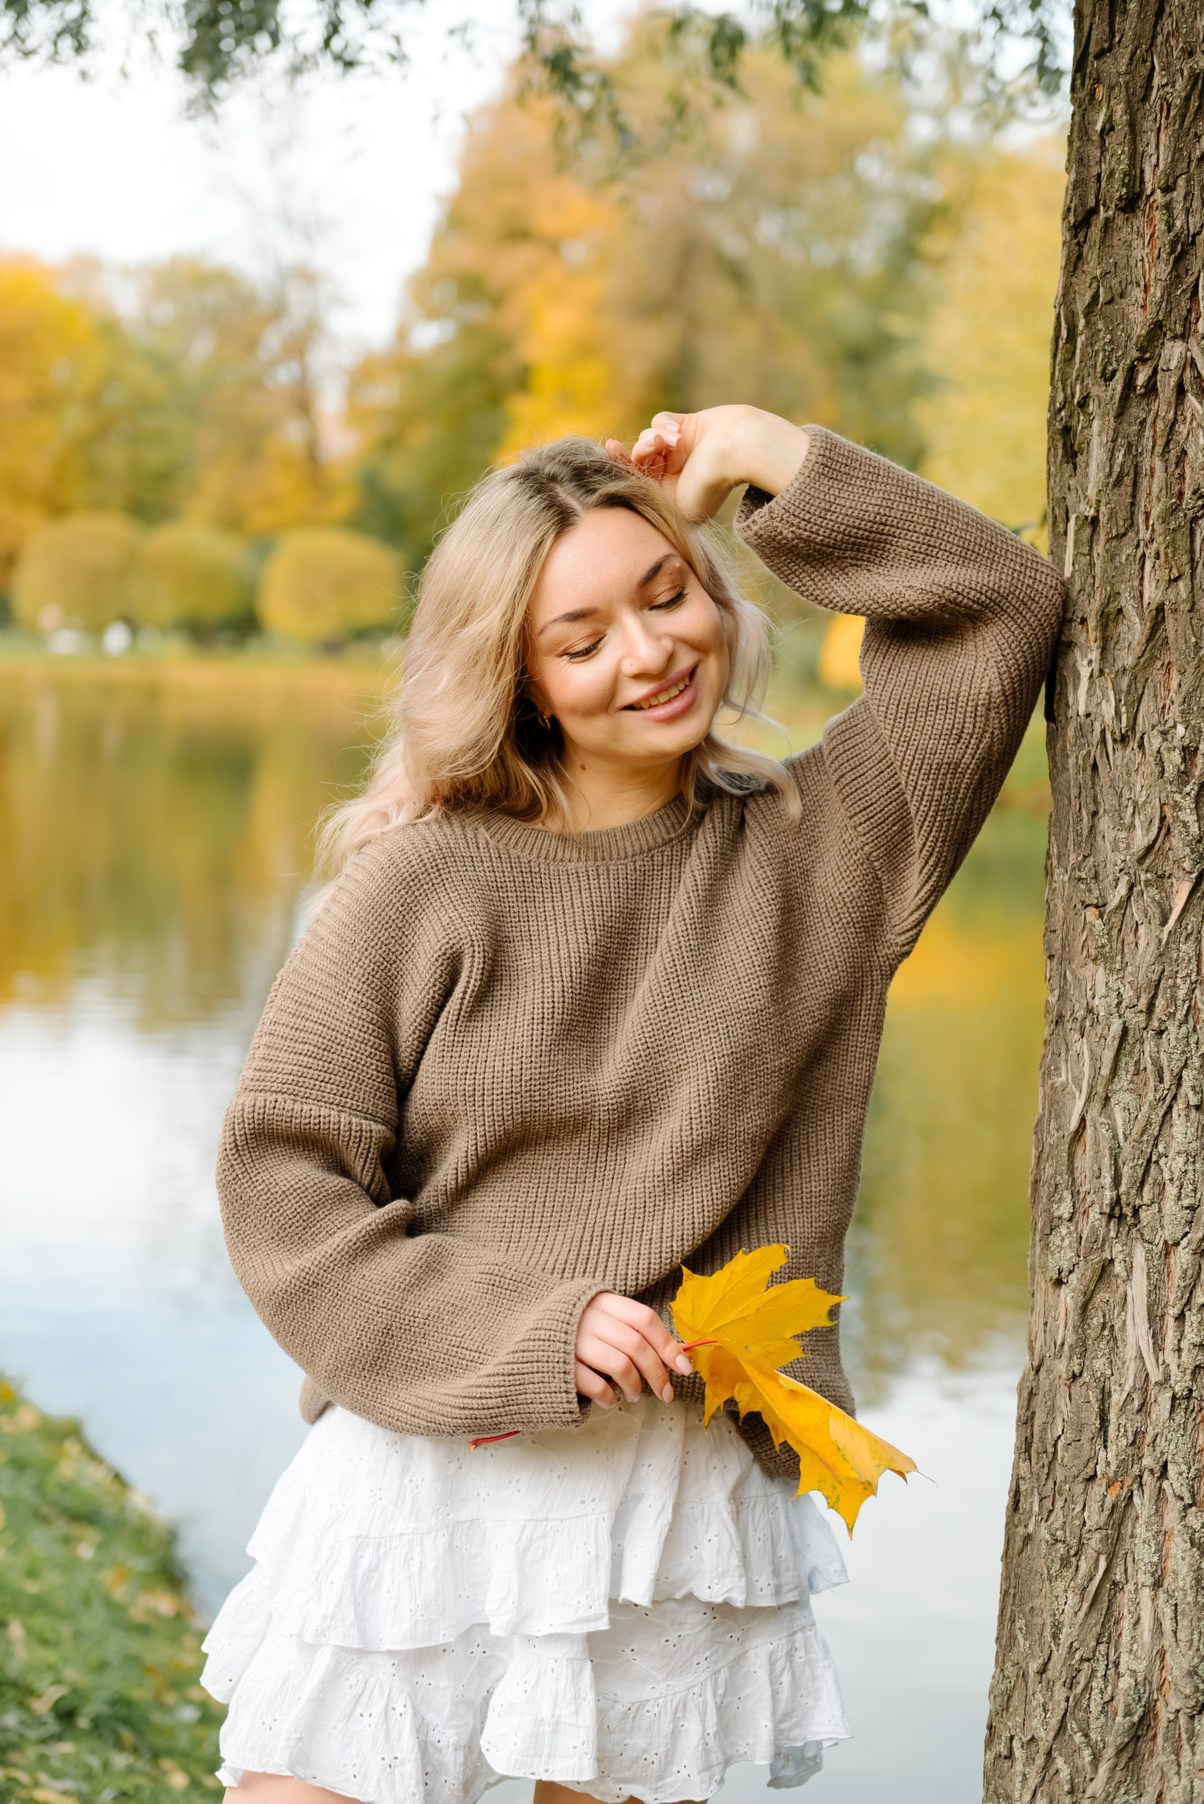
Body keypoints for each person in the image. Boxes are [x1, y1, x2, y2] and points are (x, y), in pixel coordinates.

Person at [198, 403, 1066, 1804]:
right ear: (519, 678)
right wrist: (532, 1325)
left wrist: (758, 452)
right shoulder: (421, 882)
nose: (652, 655)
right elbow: (281, 1177)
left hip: (669, 1490)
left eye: (668, 594)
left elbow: (997, 609)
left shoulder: (825, 841)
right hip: (431, 1462)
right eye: (582, 638)